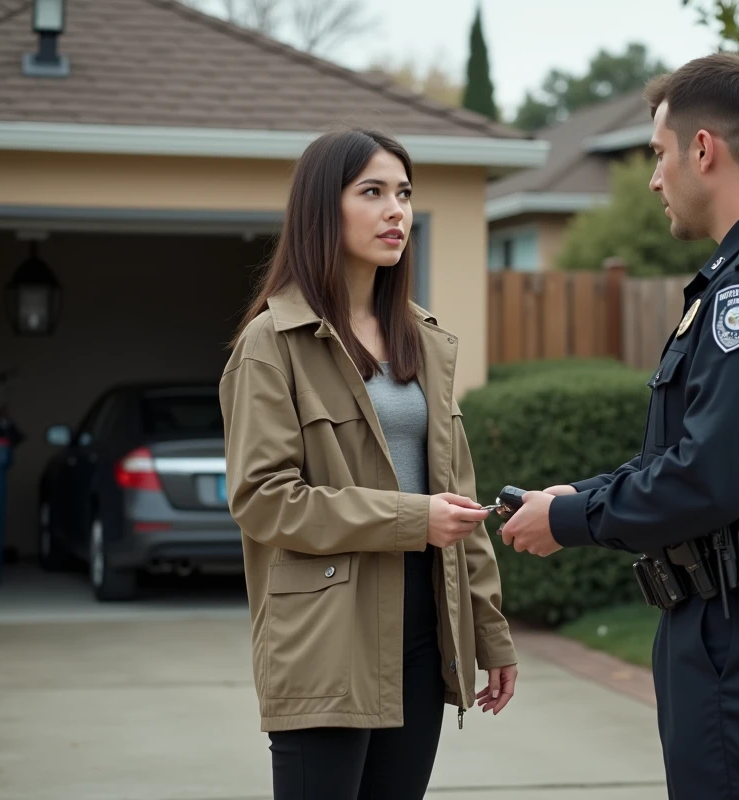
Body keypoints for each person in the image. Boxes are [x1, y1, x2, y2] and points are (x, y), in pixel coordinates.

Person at [498, 53, 739, 799]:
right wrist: (581, 493)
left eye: (657, 153)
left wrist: (570, 520)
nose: (653, 178)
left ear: (703, 149)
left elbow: (709, 478)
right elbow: (704, 452)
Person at [219, 128, 519, 800]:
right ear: (323, 208)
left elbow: (458, 496)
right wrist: (413, 519)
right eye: (373, 192)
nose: (396, 211)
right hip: (326, 635)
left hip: (423, 631)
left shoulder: (423, 340)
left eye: (404, 194)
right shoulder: (271, 344)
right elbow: (264, 499)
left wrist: (489, 634)